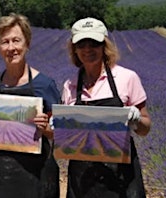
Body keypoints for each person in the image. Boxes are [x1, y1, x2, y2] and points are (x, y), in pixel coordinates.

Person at [0, 13, 61, 198]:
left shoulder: (44, 85)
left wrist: (44, 129)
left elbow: (60, 134)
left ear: (27, 43)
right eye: (5, 42)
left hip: (34, 174)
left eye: (16, 40)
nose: (11, 47)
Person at [61, 17, 152, 198]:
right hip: (82, 178)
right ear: (74, 49)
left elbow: (145, 128)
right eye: (81, 44)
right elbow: (68, 141)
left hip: (120, 176)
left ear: (104, 45)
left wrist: (136, 120)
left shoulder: (127, 78)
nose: (88, 49)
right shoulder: (70, 85)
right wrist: (60, 129)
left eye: (94, 43)